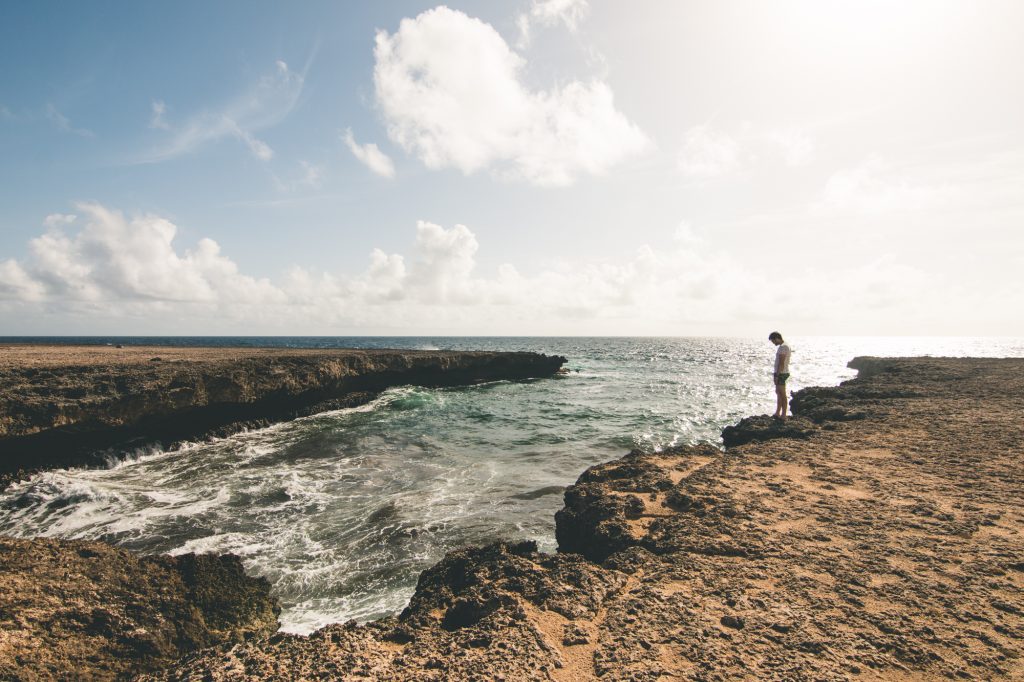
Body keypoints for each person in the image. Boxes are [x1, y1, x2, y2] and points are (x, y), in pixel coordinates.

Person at [768, 331, 791, 420]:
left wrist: (777, 375)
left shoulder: (783, 347)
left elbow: (781, 363)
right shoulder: (783, 346)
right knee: (778, 393)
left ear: (777, 338)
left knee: (782, 394)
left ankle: (784, 414)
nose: (773, 343)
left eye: (773, 341)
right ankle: (778, 412)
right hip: (780, 372)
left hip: (781, 373)